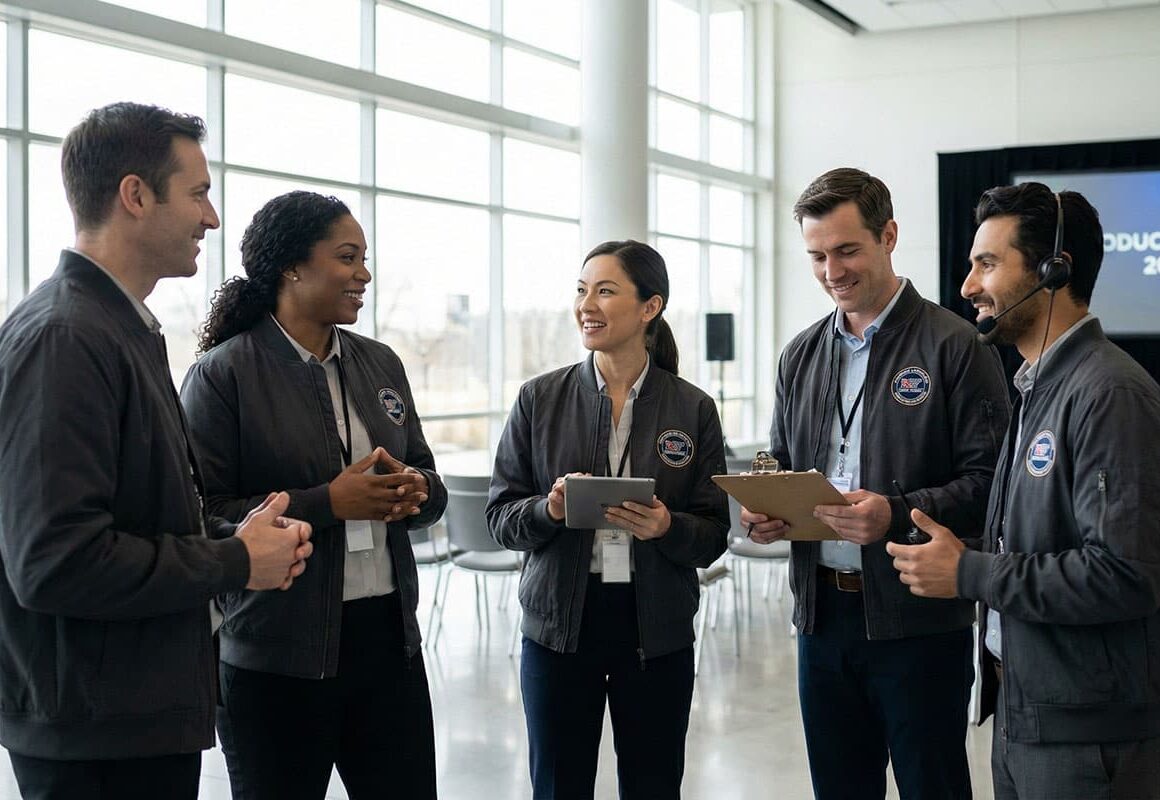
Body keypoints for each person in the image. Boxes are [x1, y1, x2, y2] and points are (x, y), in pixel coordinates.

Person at [0, 102, 313, 800]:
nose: (213, 218)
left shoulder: (117, 330)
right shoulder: (66, 338)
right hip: (97, 737)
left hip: (131, 720)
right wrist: (234, 559)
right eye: (198, 192)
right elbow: (55, 562)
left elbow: (135, 518)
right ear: (135, 196)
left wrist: (238, 539)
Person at [741, 167, 1010, 799]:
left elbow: (991, 487)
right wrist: (765, 509)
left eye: (846, 250)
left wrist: (895, 512)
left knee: (931, 786)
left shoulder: (957, 346)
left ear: (888, 236)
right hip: (822, 617)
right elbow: (779, 463)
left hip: (918, 620)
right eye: (816, 256)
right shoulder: (799, 354)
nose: (831, 271)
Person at [888, 182, 1160, 799]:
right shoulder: (1037, 388)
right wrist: (947, 547)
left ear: (1052, 270)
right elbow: (1037, 538)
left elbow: (1125, 574)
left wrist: (970, 573)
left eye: (986, 264)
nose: (967, 287)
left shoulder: (1108, 394)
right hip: (1029, 712)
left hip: (1088, 736)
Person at [180, 190, 446, 800]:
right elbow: (204, 516)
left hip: (388, 644)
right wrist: (329, 502)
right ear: (292, 267)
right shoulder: (224, 375)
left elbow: (428, 483)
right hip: (276, 655)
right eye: (348, 257)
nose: (364, 274)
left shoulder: (381, 363)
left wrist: (416, 490)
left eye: (365, 258)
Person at [487, 240, 729, 800]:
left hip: (656, 629)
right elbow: (501, 517)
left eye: (604, 290)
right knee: (558, 784)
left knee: (653, 783)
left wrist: (669, 528)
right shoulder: (538, 399)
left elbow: (714, 534)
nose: (585, 304)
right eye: (580, 289)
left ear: (650, 308)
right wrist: (547, 510)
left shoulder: (692, 408)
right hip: (558, 629)